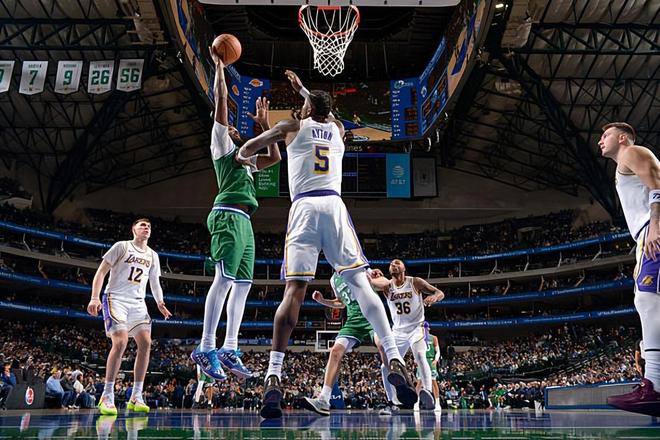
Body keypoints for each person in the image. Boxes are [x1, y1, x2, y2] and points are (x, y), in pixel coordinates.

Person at [238, 70, 418, 419]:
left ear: (306, 109)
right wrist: (305, 91)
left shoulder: (291, 127)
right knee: (360, 283)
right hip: (334, 206)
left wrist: (246, 160)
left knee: (294, 292)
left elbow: (247, 149)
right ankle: (394, 356)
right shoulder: (337, 129)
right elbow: (326, 111)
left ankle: (274, 374)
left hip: (304, 208)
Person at [191, 47, 280, 382]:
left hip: (245, 222)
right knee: (224, 279)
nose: (232, 128)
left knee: (243, 284)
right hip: (227, 214)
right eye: (229, 127)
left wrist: (265, 124)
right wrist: (219, 68)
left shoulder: (247, 160)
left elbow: (275, 158)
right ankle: (205, 346)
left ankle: (229, 347)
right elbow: (220, 100)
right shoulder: (222, 147)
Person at [599, 122, 660, 416]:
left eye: (606, 135)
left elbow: (658, 184)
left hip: (653, 229)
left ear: (622, 138)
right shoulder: (622, 165)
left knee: (647, 300)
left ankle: (654, 386)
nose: (600, 140)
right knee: (648, 301)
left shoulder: (632, 152)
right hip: (644, 234)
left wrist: (656, 225)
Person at [87, 218, 172, 415]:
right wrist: (94, 297)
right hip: (115, 298)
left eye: (149, 226)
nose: (146, 228)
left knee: (146, 343)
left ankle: (136, 395)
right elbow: (101, 272)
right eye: (142, 225)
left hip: (138, 303)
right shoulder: (121, 246)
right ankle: (107, 395)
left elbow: (155, 282)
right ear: (133, 229)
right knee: (121, 342)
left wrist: (160, 302)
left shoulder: (153, 255)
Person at [301, 269, 393, 416]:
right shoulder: (333, 280)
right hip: (353, 321)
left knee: (382, 346)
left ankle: (394, 399)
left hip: (371, 315)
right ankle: (323, 399)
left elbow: (385, 283)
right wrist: (322, 301)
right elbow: (341, 303)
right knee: (335, 351)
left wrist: (373, 279)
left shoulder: (359, 267)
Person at [370, 259, 445, 410]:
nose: (394, 264)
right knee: (385, 366)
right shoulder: (387, 286)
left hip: (416, 328)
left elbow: (440, 293)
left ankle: (427, 391)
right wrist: (371, 273)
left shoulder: (415, 282)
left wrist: (434, 297)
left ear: (404, 268)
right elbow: (368, 282)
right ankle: (393, 401)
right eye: (391, 264)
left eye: (397, 263)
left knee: (420, 355)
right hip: (398, 331)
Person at [415, 322, 442, 411]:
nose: (424, 328)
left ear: (428, 328)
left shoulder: (433, 338)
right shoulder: (418, 338)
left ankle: (437, 404)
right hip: (422, 360)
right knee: (419, 382)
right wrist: (416, 359)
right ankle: (416, 403)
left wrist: (436, 359)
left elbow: (438, 351)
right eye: (422, 327)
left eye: (425, 327)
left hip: (430, 361)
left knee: (434, 382)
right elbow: (415, 350)